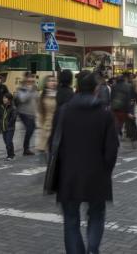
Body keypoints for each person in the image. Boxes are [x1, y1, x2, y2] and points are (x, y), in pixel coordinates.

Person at [47, 72, 119, 254]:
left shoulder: (64, 110)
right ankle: (92, 250)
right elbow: (112, 149)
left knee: (71, 220)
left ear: (76, 87)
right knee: (96, 215)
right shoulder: (105, 113)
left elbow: (52, 143)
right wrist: (106, 171)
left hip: (68, 175)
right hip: (97, 174)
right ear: (96, 89)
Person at [15, 74, 39, 156]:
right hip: (23, 113)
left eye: (32, 81)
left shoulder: (34, 89)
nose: (31, 82)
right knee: (29, 129)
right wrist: (30, 91)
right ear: (26, 81)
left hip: (32, 113)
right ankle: (26, 149)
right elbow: (22, 99)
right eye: (29, 81)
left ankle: (26, 148)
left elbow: (36, 100)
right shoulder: (22, 89)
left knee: (31, 130)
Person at [36, 75, 57, 156]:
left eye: (54, 81)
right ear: (46, 83)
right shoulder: (42, 96)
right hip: (46, 128)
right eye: (50, 81)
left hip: (56, 127)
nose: (53, 82)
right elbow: (39, 115)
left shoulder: (58, 95)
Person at [111, 73, 133, 137]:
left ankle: (118, 131)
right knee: (122, 121)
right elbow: (128, 98)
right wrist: (129, 111)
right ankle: (120, 131)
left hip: (115, 107)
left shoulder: (114, 86)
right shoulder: (127, 86)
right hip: (124, 108)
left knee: (117, 120)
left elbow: (112, 97)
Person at [1, 93, 17, 160]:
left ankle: (10, 156)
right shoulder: (3, 106)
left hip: (10, 128)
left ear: (9, 99)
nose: (4, 99)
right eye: (3, 98)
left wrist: (8, 124)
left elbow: (13, 118)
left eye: (5, 98)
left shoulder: (13, 108)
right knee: (7, 141)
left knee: (8, 141)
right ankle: (12, 153)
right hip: (4, 127)